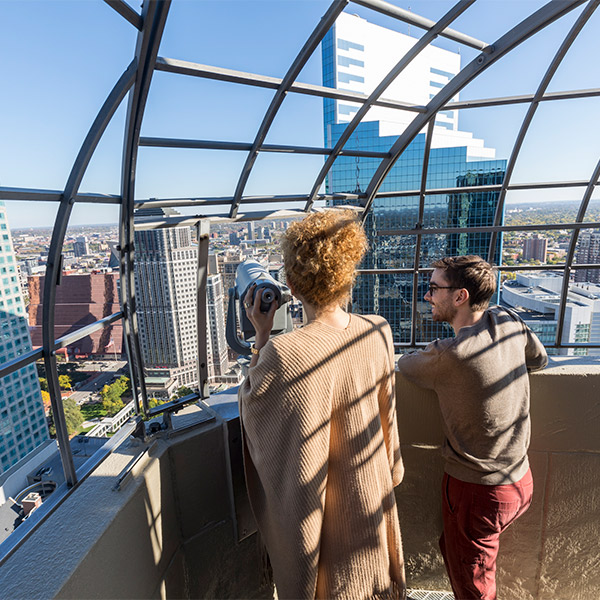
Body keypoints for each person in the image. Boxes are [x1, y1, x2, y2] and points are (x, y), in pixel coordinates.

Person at [239, 209, 406, 600]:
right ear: (348, 277)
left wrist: (261, 335)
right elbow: (388, 416)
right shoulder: (378, 329)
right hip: (371, 493)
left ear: (293, 287)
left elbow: (253, 405)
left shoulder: (284, 351)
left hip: (325, 512)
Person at [397, 255, 547, 600]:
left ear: (460, 296)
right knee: (461, 555)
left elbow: (406, 365)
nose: (427, 296)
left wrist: (439, 352)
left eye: (434, 288)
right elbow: (539, 359)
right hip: (519, 480)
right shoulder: (508, 321)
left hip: (478, 491)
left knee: (474, 587)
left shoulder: (452, 354)